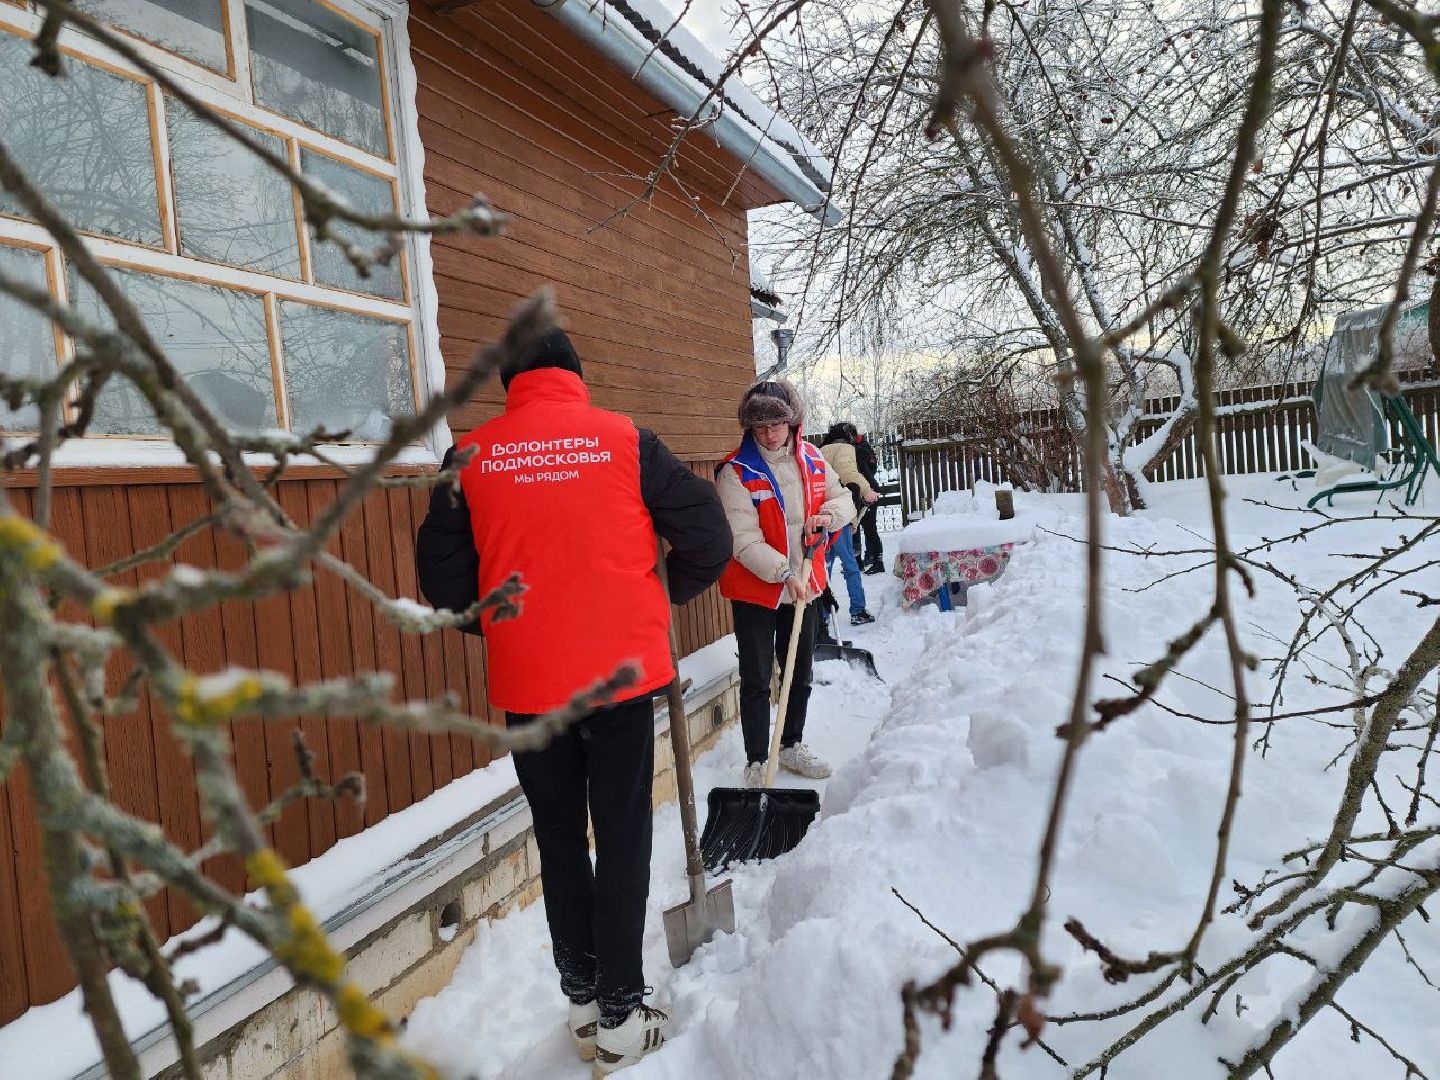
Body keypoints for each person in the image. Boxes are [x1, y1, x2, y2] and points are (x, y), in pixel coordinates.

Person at [415, 329, 731, 1075]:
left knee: (560, 840)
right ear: (575, 378)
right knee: (622, 836)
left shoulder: (471, 458)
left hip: (530, 685)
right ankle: (622, 1014)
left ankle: (585, 1002)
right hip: (619, 674)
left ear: (511, 384)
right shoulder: (626, 441)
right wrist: (657, 595)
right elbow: (708, 537)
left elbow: (446, 585)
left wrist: (499, 624)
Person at [716, 380, 855, 786]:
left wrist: (829, 516)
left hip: (805, 585)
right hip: (758, 589)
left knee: (798, 670)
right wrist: (783, 574)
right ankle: (758, 758)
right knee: (758, 676)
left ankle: (791, 744)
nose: (769, 434)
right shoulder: (736, 472)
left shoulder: (812, 459)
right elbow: (743, 539)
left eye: (776, 423)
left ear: (792, 421)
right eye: (760, 427)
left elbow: (842, 497)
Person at [819, 422, 877, 626]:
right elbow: (848, 474)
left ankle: (822, 616)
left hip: (821, 516)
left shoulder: (819, 451)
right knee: (850, 565)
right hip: (839, 516)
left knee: (823, 568)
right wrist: (867, 490)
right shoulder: (845, 449)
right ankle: (858, 610)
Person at [852, 428, 887, 574]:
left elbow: (866, 470)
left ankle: (877, 562)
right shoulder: (864, 448)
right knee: (863, 528)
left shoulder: (858, 450)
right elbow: (872, 468)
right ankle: (866, 559)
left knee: (868, 529)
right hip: (865, 490)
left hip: (867, 492)